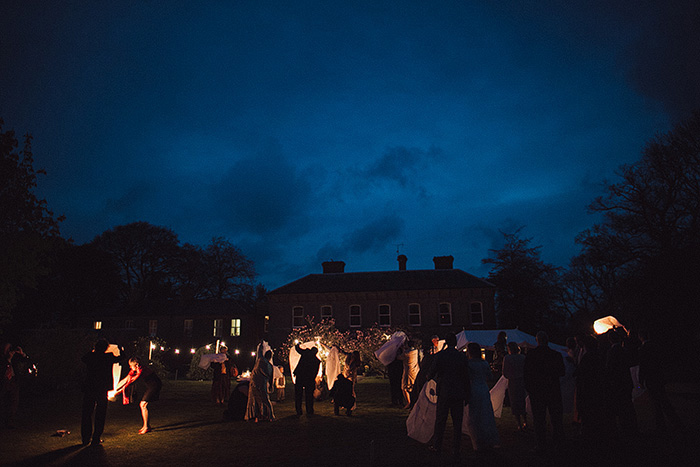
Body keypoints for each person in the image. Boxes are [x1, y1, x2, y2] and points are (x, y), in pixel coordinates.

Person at [426, 332, 471, 461]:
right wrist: (467, 394)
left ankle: (437, 445)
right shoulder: (462, 357)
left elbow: (431, 373)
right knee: (457, 423)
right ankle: (456, 448)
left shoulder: (440, 356)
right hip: (458, 392)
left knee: (440, 420)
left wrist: (430, 377)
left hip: (445, 392)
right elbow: (466, 376)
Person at [524, 331, 565, 454]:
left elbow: (527, 374)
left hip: (537, 392)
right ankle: (558, 443)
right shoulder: (555, 355)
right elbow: (562, 372)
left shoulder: (531, 355)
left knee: (539, 419)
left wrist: (530, 388)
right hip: (553, 390)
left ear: (537, 341)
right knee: (556, 418)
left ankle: (541, 444)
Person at [637, 329, 683, 432]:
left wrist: (640, 380)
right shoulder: (655, 347)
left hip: (651, 379)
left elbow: (643, 366)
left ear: (641, 337)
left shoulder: (642, 349)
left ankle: (661, 426)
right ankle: (676, 422)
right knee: (664, 400)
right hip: (658, 377)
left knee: (656, 403)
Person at [80, 339, 123, 445]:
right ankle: (96, 438)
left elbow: (83, 358)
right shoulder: (108, 357)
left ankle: (85, 438)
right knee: (100, 413)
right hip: (102, 388)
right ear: (106, 348)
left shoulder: (91, 357)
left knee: (87, 413)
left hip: (90, 387)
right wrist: (120, 348)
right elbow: (122, 357)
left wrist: (92, 350)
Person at [465, 342, 501, 451]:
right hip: (484, 389)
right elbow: (489, 376)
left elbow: (467, 378)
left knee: (474, 415)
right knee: (486, 414)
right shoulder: (484, 363)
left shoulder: (469, 364)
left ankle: (477, 442)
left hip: (474, 389)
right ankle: (489, 439)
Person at [574, 334, 609, 445]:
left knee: (589, 413)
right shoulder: (600, 356)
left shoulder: (588, 358)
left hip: (588, 391)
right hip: (598, 390)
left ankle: (590, 437)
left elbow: (583, 376)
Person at [113, 357, 162, 434]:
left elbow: (131, 382)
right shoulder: (135, 369)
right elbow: (126, 379)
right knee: (143, 405)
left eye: (131, 365)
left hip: (155, 385)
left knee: (143, 405)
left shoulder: (141, 370)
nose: (130, 367)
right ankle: (146, 426)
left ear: (137, 365)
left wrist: (117, 392)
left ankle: (146, 427)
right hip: (150, 386)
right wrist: (115, 388)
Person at [605, 328, 638, 436]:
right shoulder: (624, 350)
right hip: (626, 382)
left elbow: (610, 368)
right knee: (628, 404)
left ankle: (625, 427)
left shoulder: (612, 352)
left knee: (621, 405)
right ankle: (632, 426)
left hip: (617, 383)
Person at [2, 343, 28, 429]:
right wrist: (8, 359)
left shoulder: (15, 359)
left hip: (13, 381)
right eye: (7, 349)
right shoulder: (3, 359)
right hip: (4, 382)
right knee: (4, 402)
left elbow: (26, 362)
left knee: (14, 402)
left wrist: (22, 354)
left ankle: (10, 422)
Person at [502, 341, 527, 431]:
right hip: (521, 381)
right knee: (522, 400)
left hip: (512, 382)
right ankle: (525, 421)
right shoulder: (522, 357)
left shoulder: (507, 358)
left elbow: (504, 372)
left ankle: (519, 423)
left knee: (515, 402)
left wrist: (510, 375)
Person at [245, 350, 275, 422]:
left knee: (254, 399)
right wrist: (271, 385)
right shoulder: (268, 365)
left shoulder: (260, 361)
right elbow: (271, 377)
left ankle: (256, 415)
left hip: (255, 383)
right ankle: (266, 415)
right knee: (264, 399)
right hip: (261, 384)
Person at [293, 343, 321, 416]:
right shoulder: (317, 361)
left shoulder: (306, 353)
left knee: (298, 395)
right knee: (309, 396)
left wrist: (297, 344)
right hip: (309, 380)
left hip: (300, 377)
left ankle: (299, 411)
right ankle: (309, 410)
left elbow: (298, 349)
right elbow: (315, 372)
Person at [397, 341, 419, 409]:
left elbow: (399, 357)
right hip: (415, 371)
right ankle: (414, 402)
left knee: (404, 387)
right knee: (414, 387)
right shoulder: (416, 351)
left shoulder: (406, 353)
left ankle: (409, 402)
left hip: (408, 372)